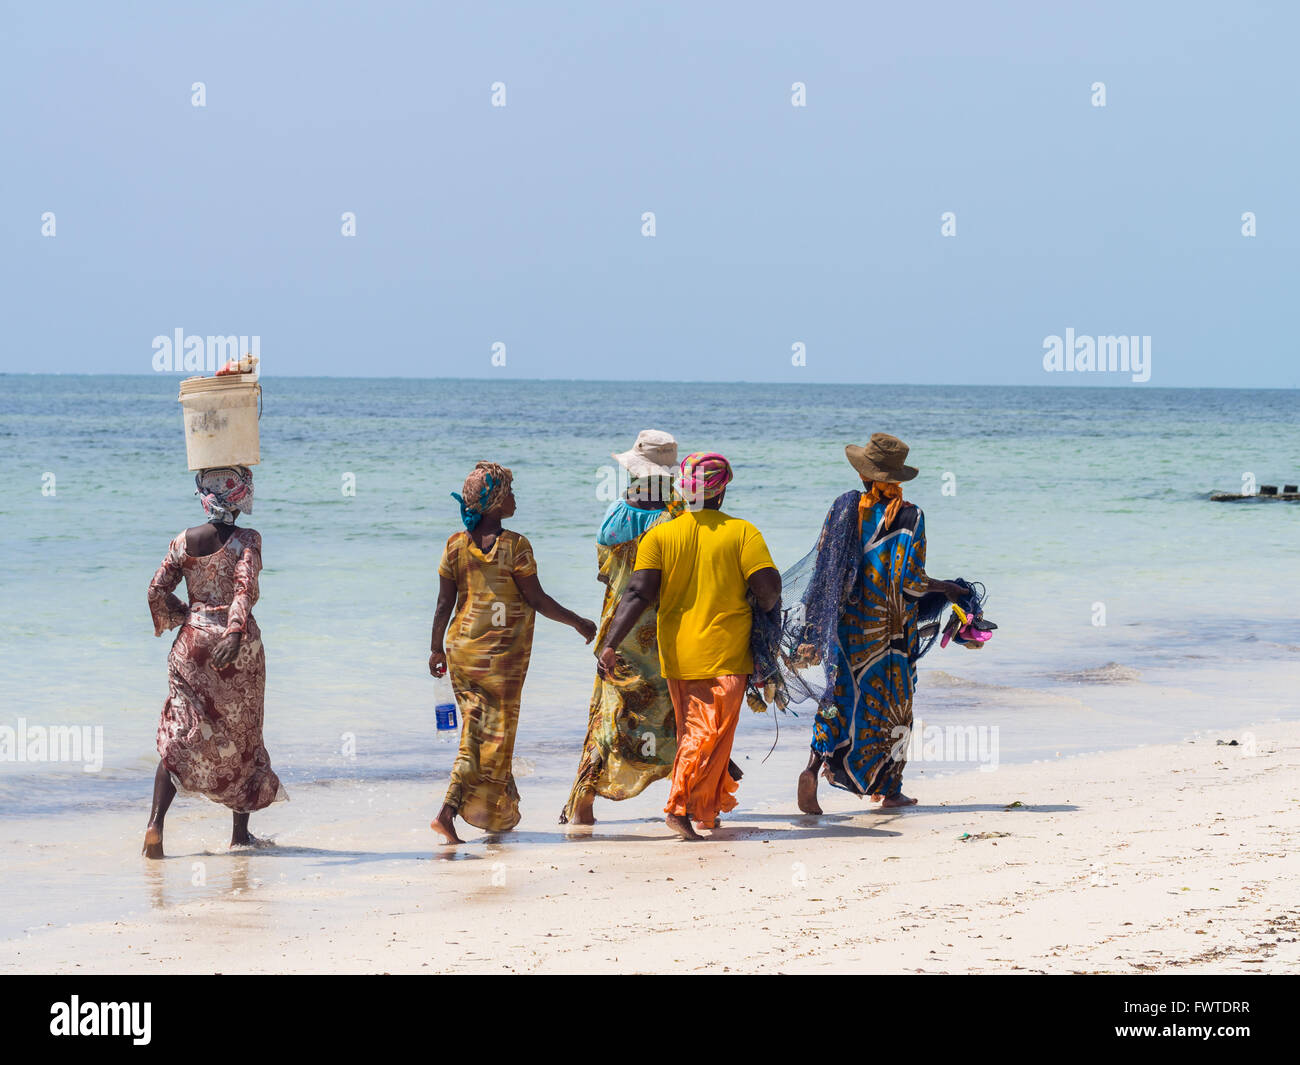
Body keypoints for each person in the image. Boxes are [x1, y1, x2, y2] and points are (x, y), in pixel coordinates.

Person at [597, 452, 780, 840]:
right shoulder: (743, 533)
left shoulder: (660, 535)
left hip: (677, 655)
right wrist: (763, 612)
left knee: (698, 732)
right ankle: (678, 807)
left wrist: (610, 644)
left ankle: (704, 811)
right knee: (708, 733)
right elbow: (769, 589)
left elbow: (637, 593)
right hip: (726, 653)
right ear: (721, 491)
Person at [792, 434, 967, 814]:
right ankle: (890, 789)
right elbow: (912, 583)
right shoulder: (911, 516)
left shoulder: (843, 507)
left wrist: (815, 626)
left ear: (863, 474)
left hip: (845, 627)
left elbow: (826, 567)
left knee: (838, 698)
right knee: (894, 708)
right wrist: (948, 588)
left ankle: (812, 767)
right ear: (898, 477)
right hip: (891, 634)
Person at [428, 461, 597, 844]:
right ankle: (447, 811)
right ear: (496, 502)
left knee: (482, 731)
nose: (516, 499)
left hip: (462, 651)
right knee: (488, 734)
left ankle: (498, 812)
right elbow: (536, 599)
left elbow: (443, 604)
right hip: (501, 659)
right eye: (510, 493)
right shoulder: (515, 546)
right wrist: (579, 623)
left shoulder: (454, 545)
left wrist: (436, 648)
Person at [144, 466, 285, 859]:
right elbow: (244, 589)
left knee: (180, 736)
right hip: (237, 652)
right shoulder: (248, 540)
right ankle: (240, 836)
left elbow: (156, 591)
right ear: (239, 499)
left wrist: (183, 617)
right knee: (243, 737)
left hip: (191, 647)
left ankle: (155, 826)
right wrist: (234, 632)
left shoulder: (182, 541)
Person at [561, 430, 681, 825]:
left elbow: (606, 570)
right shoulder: (678, 514)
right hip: (663, 629)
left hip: (618, 626)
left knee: (610, 711)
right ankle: (685, 798)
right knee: (670, 711)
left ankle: (584, 799)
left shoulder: (616, 513)